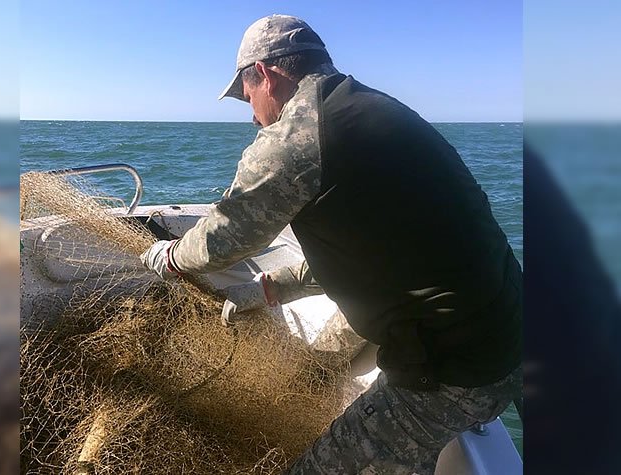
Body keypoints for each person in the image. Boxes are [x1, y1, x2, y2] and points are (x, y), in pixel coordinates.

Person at [141, 14, 522, 474]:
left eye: (247, 96)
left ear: (263, 74)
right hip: (512, 331)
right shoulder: (379, 111)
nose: (251, 113)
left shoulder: (297, 133)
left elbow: (227, 234)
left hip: (455, 368)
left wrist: (171, 258)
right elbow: (382, 249)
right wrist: (276, 286)